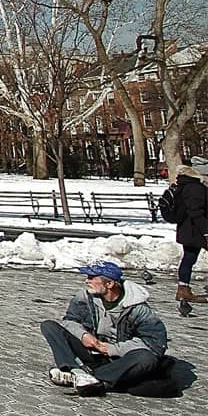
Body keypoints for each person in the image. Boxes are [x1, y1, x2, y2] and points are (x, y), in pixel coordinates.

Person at [40, 261, 167, 396]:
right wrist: (84, 336)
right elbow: (70, 320)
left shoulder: (138, 309)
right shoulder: (85, 296)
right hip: (91, 351)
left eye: (91, 278)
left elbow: (155, 344)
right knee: (49, 326)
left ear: (109, 284)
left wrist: (112, 349)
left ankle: (90, 377)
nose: (86, 281)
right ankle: (78, 372)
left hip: (119, 360)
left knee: (146, 358)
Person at [173, 162, 208, 303]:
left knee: (189, 258)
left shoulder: (187, 184)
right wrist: (206, 231)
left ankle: (183, 289)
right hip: (195, 230)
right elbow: (196, 211)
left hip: (188, 229)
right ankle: (183, 290)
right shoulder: (195, 188)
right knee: (189, 259)